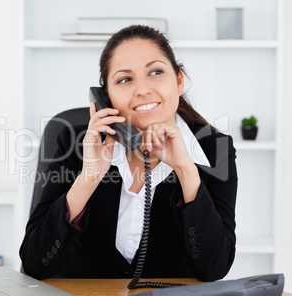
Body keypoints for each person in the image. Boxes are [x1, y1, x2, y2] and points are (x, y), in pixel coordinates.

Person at [20, 25, 238, 282]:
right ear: (106, 97)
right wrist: (90, 176)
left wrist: (186, 170)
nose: (142, 90)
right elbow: (35, 263)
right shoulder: (75, 143)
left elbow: (214, 268)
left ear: (179, 81)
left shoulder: (215, 150)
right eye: (125, 79)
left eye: (155, 72)